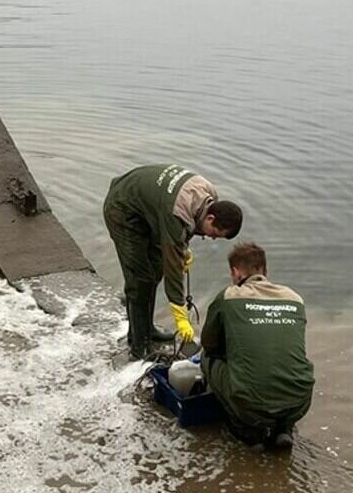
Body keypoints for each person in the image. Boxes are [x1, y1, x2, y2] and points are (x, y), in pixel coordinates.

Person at [103, 164, 242, 359]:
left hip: (150, 209)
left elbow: (181, 231)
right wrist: (180, 316)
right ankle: (138, 346)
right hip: (123, 210)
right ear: (211, 218)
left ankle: (147, 330)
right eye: (215, 234)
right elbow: (173, 271)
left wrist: (182, 250)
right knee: (140, 279)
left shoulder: (208, 195)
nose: (211, 238)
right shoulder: (179, 212)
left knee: (155, 271)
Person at [200, 242, 314, 450]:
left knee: (206, 359)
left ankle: (248, 432)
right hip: (300, 400)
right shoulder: (294, 298)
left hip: (250, 401)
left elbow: (209, 344)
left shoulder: (229, 296)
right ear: (265, 271)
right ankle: (284, 428)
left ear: (235, 272)